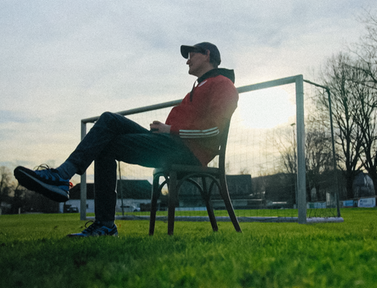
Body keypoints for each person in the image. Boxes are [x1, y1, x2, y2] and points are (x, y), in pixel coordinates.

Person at [14, 42, 239, 237]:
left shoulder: (223, 84)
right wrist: (166, 131)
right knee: (109, 120)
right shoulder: (198, 87)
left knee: (105, 143)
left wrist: (170, 130)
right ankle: (65, 178)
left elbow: (214, 132)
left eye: (191, 54)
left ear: (207, 54)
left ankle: (98, 217)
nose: (187, 61)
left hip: (186, 153)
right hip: (170, 144)